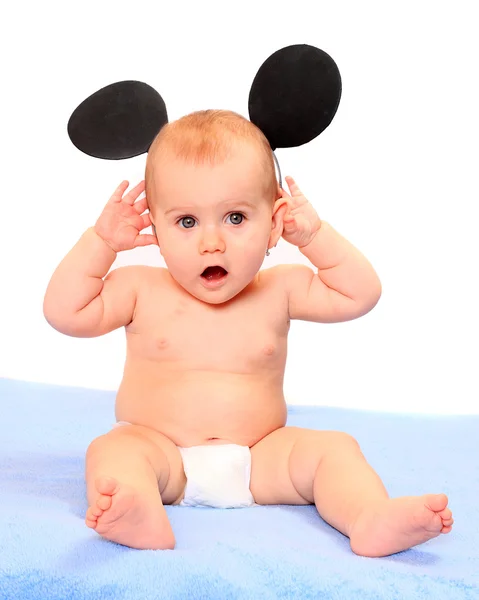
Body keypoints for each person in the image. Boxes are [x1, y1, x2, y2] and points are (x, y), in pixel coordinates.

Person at [43, 109, 453, 557]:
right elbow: (65, 312)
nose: (212, 242)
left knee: (334, 450)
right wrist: (101, 244)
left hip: (263, 457)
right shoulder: (138, 288)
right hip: (162, 454)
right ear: (154, 229)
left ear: (273, 222)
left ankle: (369, 517)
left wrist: (314, 235)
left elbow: (361, 294)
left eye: (236, 218)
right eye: (186, 222)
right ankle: (138, 511)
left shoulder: (282, 289)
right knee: (113, 451)